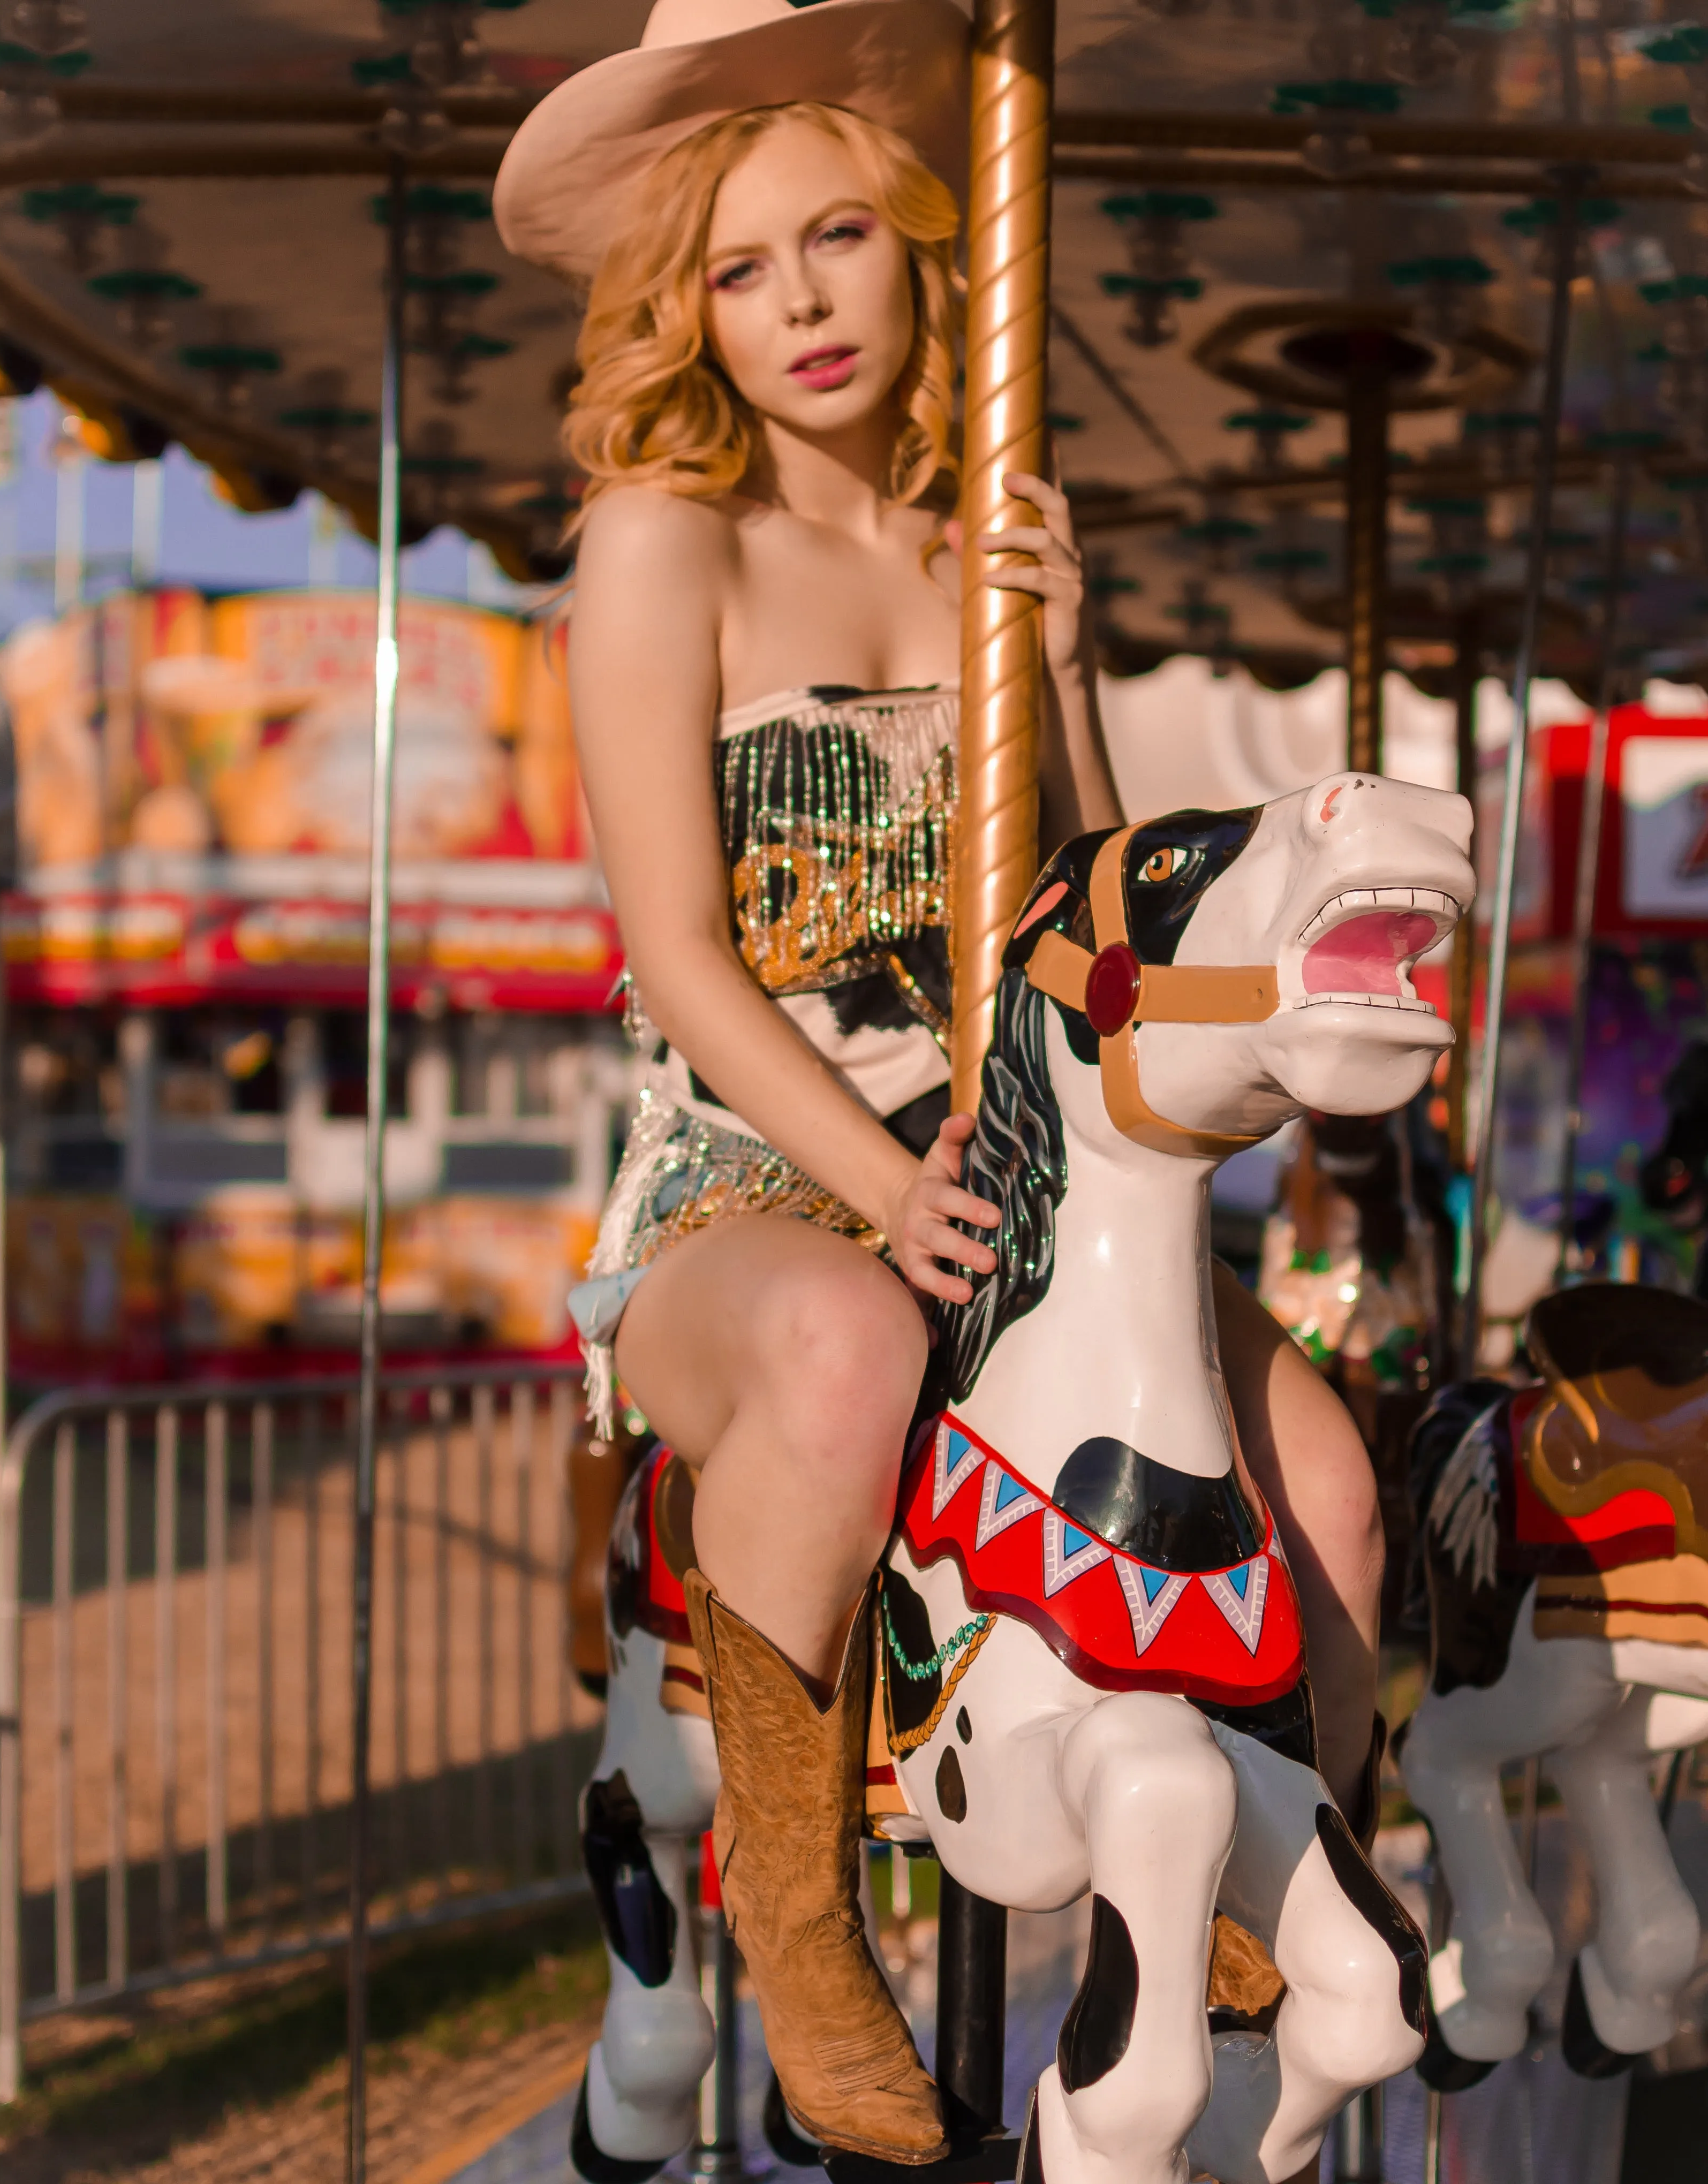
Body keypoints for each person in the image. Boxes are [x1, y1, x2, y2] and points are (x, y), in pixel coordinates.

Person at [494, 1, 1382, 2162]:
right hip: (748, 1183)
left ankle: (1269, 1912)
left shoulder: (980, 537)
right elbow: (684, 965)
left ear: (915, 252)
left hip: (1000, 1169)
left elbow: (1083, 918)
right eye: (738, 268)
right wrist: (872, 1191)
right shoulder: (657, 537)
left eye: (834, 246)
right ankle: (797, 1928)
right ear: (685, 309)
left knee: (1335, 1479)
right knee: (840, 1338)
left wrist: (1070, 666)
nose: (798, 307)